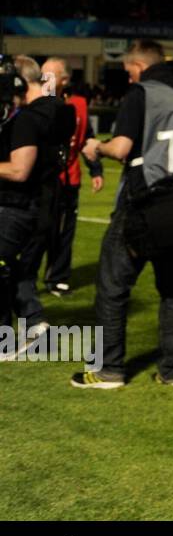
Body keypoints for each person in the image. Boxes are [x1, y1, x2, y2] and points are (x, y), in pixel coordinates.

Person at [73, 40, 173, 388]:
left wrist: (97, 147)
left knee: (112, 285)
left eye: (127, 70)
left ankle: (109, 369)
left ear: (138, 66)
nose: (127, 76)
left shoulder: (142, 93)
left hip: (143, 204)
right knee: (172, 288)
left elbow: (121, 148)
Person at [0, 56, 68, 347]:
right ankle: (34, 320)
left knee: (6, 265)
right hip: (47, 199)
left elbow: (19, 170)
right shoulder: (60, 110)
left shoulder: (28, 118)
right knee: (20, 267)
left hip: (22, 202)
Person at [26, 59, 104, 298]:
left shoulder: (79, 104)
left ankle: (57, 278)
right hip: (41, 180)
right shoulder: (36, 103)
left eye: (49, 75)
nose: (44, 80)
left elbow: (86, 138)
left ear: (64, 80)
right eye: (43, 75)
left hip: (69, 178)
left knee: (64, 230)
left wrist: (96, 170)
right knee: (38, 231)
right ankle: (26, 278)